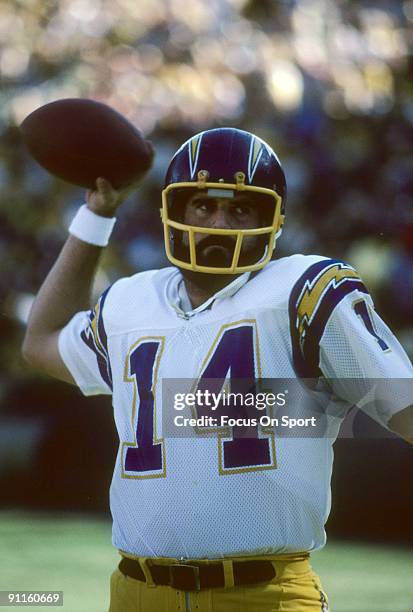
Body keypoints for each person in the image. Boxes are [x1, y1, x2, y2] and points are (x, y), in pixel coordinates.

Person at [22, 128, 413, 612]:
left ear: (272, 220)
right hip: (135, 592)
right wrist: (96, 217)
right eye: (203, 206)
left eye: (241, 208)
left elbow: (407, 410)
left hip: (262, 595)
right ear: (175, 211)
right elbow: (40, 342)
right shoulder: (130, 302)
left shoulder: (304, 292)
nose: (218, 222)